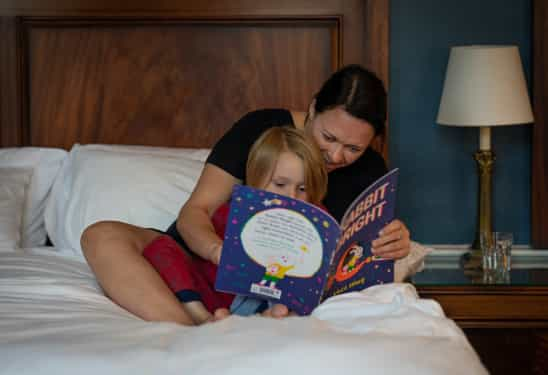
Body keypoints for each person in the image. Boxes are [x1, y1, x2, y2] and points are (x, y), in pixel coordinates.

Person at [81, 64, 412, 325]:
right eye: (328, 137)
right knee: (101, 235)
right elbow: (196, 211)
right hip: (208, 256)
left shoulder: (369, 169)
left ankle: (226, 328)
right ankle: (190, 330)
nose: (336, 156)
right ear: (313, 108)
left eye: (354, 147)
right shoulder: (260, 129)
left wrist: (394, 240)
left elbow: (358, 252)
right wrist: (218, 252)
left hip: (282, 278)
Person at [142, 126, 327, 324]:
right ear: (256, 178)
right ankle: (201, 316)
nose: (292, 196)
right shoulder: (234, 211)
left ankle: (269, 317)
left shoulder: (318, 217)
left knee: (294, 299)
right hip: (221, 297)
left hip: (279, 295)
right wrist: (219, 252)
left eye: (302, 188)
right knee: (161, 248)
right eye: (280, 184)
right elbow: (207, 261)